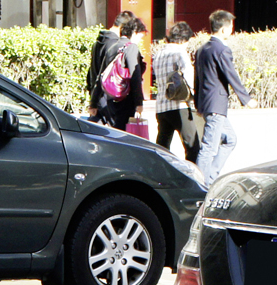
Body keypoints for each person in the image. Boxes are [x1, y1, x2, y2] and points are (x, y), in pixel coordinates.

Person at [193, 10, 252, 185]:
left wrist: (198, 104)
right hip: (217, 104)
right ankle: (200, 184)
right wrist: (247, 99)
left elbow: (198, 78)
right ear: (224, 29)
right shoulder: (222, 50)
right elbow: (231, 75)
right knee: (209, 148)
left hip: (206, 103)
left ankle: (210, 177)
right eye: (231, 27)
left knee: (230, 139)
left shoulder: (202, 50)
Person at [151, 21, 200, 161]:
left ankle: (159, 175)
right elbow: (189, 76)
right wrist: (195, 95)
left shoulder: (159, 54)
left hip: (161, 106)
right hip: (179, 106)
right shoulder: (179, 52)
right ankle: (191, 176)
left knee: (162, 148)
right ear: (184, 39)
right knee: (192, 146)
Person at [84, 12, 137, 122]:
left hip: (98, 96)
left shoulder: (98, 42)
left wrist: (93, 99)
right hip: (110, 99)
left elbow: (91, 73)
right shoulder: (115, 44)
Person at [99, 16, 147, 131]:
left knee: (115, 131)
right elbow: (134, 76)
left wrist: (94, 102)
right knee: (124, 134)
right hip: (125, 98)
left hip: (110, 97)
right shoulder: (131, 47)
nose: (141, 40)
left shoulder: (112, 46)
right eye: (141, 36)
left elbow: (101, 74)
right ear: (135, 32)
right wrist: (138, 102)